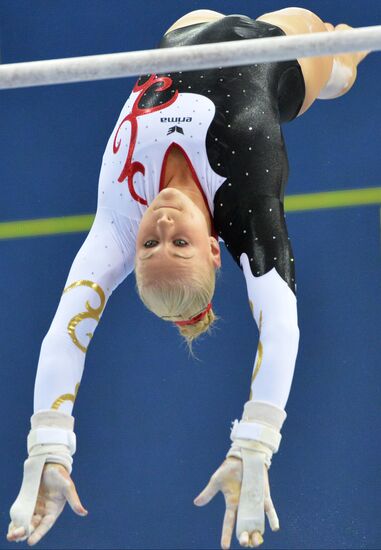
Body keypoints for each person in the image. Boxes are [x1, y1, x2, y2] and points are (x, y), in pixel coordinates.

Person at [7, 7, 368, 549]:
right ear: (216, 249)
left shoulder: (119, 216)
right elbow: (282, 326)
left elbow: (66, 331)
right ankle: (344, 65)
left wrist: (48, 446)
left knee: (200, 18)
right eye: (180, 245)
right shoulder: (246, 200)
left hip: (183, 34)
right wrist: (255, 442)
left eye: (150, 245)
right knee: (328, 42)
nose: (162, 226)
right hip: (273, 54)